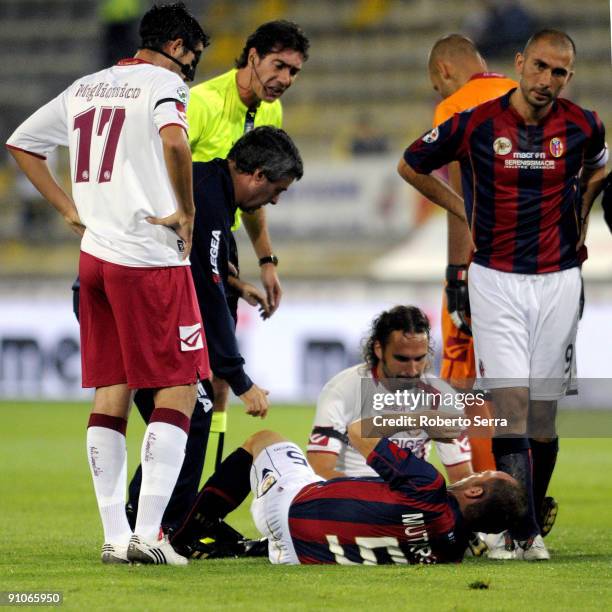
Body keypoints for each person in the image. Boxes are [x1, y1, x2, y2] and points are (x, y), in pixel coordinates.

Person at [7, 2, 210, 565]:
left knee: (112, 389)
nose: (189, 69)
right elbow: (175, 141)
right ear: (176, 46)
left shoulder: (88, 87)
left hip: (94, 257)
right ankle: (148, 534)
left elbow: (22, 143)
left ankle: (114, 537)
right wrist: (187, 211)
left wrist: (67, 207)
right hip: (148, 258)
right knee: (180, 388)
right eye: (191, 58)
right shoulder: (163, 86)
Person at [398, 30, 608, 561]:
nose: (546, 81)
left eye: (559, 72)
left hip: (560, 280)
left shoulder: (583, 124)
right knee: (510, 407)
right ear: (519, 63)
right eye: (539, 67)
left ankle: (527, 519)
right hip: (495, 279)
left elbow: (602, 164)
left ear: (569, 77)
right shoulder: (477, 122)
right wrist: (462, 209)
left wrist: (582, 210)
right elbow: (411, 163)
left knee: (541, 415)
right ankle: (525, 532)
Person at [126, 126, 304, 534]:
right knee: (193, 410)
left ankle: (153, 518)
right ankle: (163, 526)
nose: (274, 200)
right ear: (256, 174)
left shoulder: (211, 189)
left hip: (132, 303)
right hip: (141, 310)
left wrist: (237, 286)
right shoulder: (206, 199)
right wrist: (241, 380)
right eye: (276, 189)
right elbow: (206, 293)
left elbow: (205, 273)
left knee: (184, 416)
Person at [187, 20, 310, 468]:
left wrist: (267, 261)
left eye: (294, 72)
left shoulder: (270, 112)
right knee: (201, 374)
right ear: (252, 56)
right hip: (185, 242)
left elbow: (257, 194)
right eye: (279, 65)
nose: (285, 80)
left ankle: (208, 475)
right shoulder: (200, 103)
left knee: (218, 378)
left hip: (222, 238)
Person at [170, 422, 526, 565]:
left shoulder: (428, 486)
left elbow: (357, 430)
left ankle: (184, 536)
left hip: (290, 507)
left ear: (476, 491)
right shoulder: (452, 553)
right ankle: (251, 546)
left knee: (264, 439)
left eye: (479, 474)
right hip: (303, 554)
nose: (471, 475)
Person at [428, 34, 517, 475]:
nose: (438, 95)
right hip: (543, 266)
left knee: (465, 386)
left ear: (445, 70)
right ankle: (527, 503)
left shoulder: (457, 106)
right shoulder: (523, 95)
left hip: (484, 265)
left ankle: (488, 503)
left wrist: (455, 273)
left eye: (436, 86)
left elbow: (461, 199)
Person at [306, 305, 473, 484]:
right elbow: (320, 469)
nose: (412, 370)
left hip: (410, 495)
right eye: (402, 359)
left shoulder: (441, 396)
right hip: (354, 493)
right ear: (379, 349)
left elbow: (461, 476)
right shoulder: (342, 389)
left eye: (419, 358)